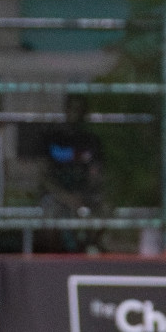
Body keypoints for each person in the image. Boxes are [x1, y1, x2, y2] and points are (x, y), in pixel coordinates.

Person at [39, 95, 105, 253]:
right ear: (66, 111)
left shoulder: (91, 141)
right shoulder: (53, 138)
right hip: (56, 195)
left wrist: (84, 194)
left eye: (80, 110)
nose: (77, 113)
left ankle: (88, 248)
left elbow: (95, 175)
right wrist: (66, 197)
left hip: (83, 194)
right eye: (73, 109)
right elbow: (43, 177)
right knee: (51, 216)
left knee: (105, 209)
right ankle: (55, 256)